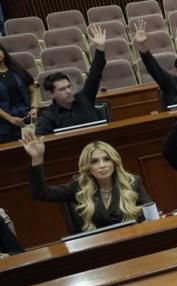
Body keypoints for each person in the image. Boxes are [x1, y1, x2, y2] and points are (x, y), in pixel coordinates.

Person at [22, 133, 151, 234]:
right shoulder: (78, 186)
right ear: (87, 166)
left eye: (107, 159)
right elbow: (41, 193)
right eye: (94, 162)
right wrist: (37, 158)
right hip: (98, 248)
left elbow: (151, 214)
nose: (102, 165)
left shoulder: (132, 182)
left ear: (114, 162)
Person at [35, 24, 108, 135]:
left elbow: (95, 73)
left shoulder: (85, 97)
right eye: (62, 89)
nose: (68, 91)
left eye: (69, 86)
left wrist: (100, 49)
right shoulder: (48, 116)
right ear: (51, 94)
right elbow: (40, 138)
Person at [0, 39, 36, 143]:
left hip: (26, 115)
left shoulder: (17, 69)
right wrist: (10, 118)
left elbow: (33, 89)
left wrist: (34, 107)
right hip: (5, 122)